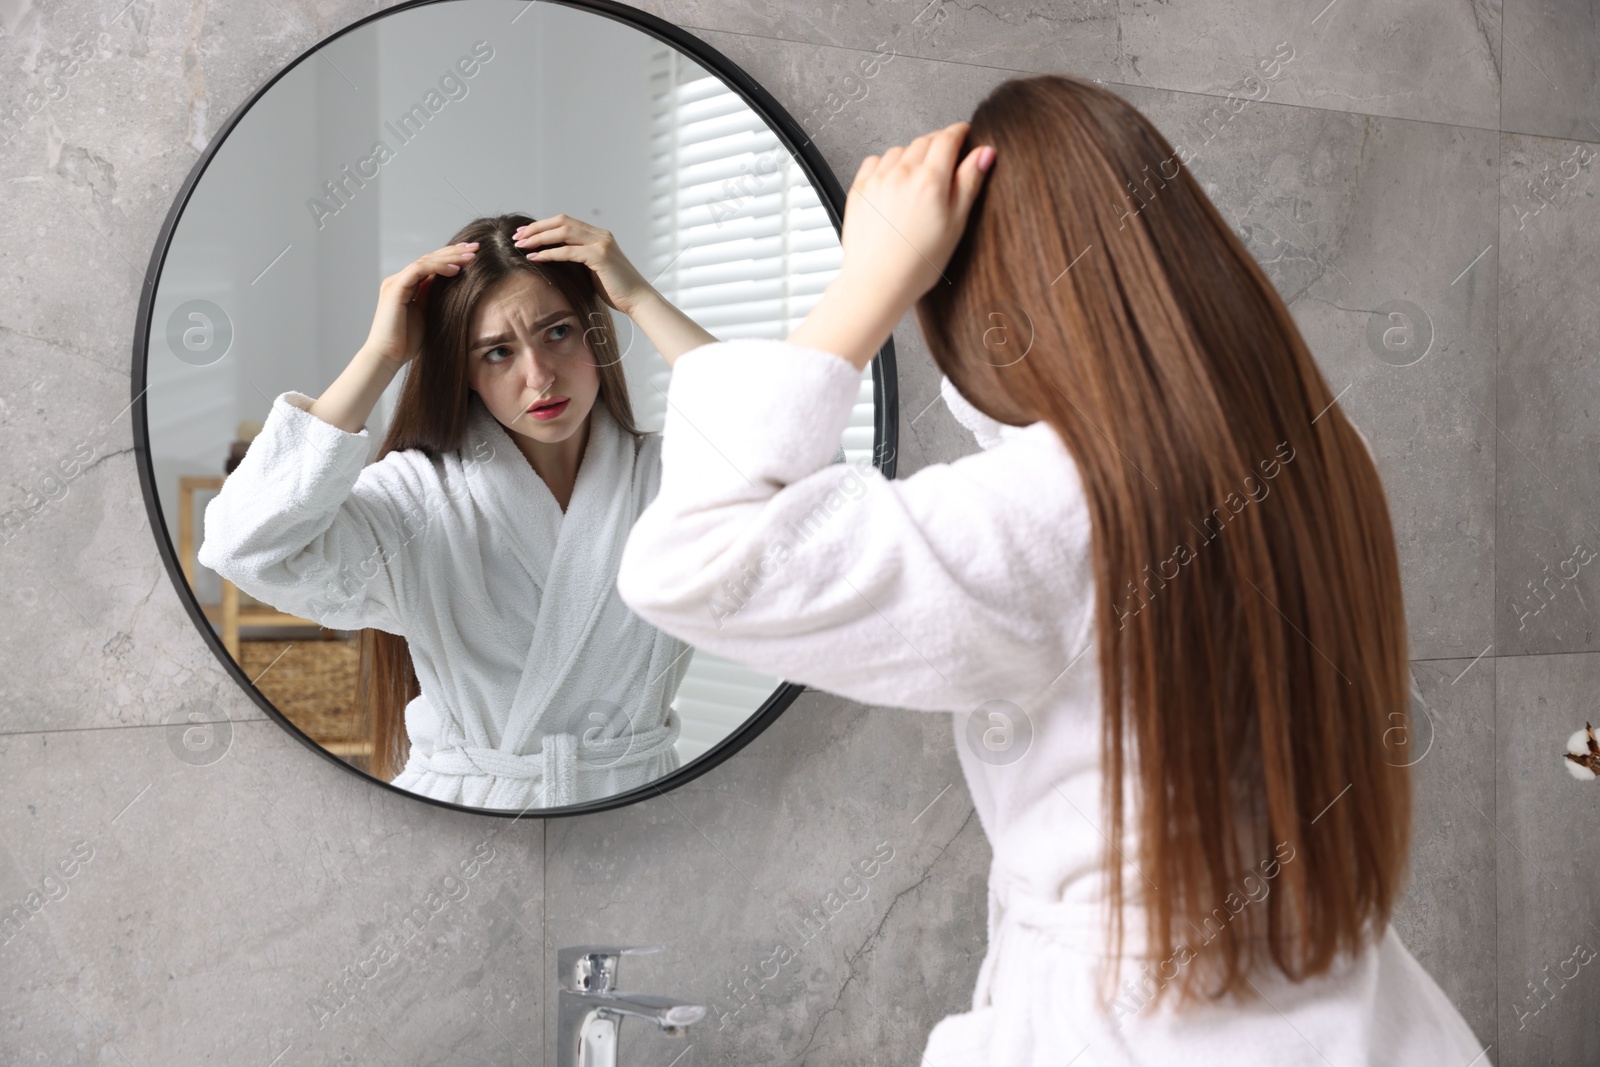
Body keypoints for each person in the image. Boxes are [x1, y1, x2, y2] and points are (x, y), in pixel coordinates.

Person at [615, 77, 1488, 1065]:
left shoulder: (1070, 511)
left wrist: (869, 283)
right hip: (1354, 1015)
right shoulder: (1316, 457)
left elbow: (692, 564)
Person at [198, 212, 717, 810]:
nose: (539, 376)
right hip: (458, 819)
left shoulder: (674, 479)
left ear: (594, 332)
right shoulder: (417, 499)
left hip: (638, 822)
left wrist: (642, 299)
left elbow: (804, 474)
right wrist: (382, 353)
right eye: (497, 352)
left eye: (558, 333)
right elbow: (245, 546)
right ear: (464, 373)